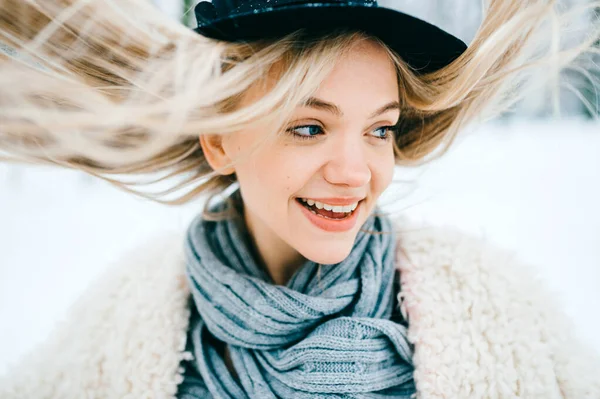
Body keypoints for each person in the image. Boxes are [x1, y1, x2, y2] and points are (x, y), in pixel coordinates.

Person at [0, 0, 599, 397]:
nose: (354, 173)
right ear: (218, 142)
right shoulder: (113, 339)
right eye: (308, 127)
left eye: (379, 129)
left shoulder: (497, 317)